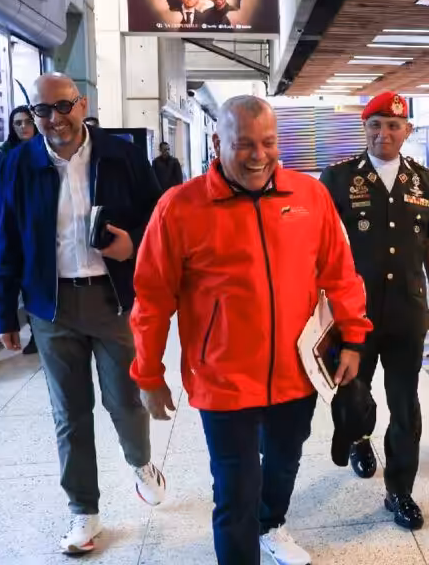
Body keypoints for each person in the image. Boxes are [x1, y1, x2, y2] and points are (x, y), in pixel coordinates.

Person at [131, 95, 372, 565]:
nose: (259, 155)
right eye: (244, 144)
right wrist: (148, 372)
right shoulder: (179, 207)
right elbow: (152, 298)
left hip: (296, 372)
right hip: (222, 379)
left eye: (268, 142)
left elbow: (341, 272)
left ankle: (271, 523)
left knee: (284, 463)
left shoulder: (309, 196)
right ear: (217, 142)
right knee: (235, 488)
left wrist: (353, 338)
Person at [0, 73, 165, 554]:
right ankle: (84, 511)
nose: (54, 119)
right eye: (43, 110)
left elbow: (159, 217)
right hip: (52, 306)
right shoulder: (19, 163)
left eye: (63, 106)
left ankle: (141, 461)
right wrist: (3, 311)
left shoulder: (121, 155)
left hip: (112, 299)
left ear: (82, 104)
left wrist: (133, 243)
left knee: (125, 400)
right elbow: (4, 238)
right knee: (70, 412)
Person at [320, 91, 429, 531]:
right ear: (364, 128)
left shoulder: (423, 180)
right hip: (353, 314)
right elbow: (320, 247)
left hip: (407, 312)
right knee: (353, 395)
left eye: (393, 125)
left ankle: (400, 490)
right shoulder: (337, 179)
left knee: (405, 404)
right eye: (375, 125)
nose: (384, 133)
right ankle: (359, 435)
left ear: (407, 130)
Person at [0, 106, 40, 355]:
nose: (23, 127)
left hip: (40, 224)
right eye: (18, 123)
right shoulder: (8, 154)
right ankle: (34, 332)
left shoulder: (46, 149)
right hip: (19, 227)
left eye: (28, 122)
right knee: (25, 283)